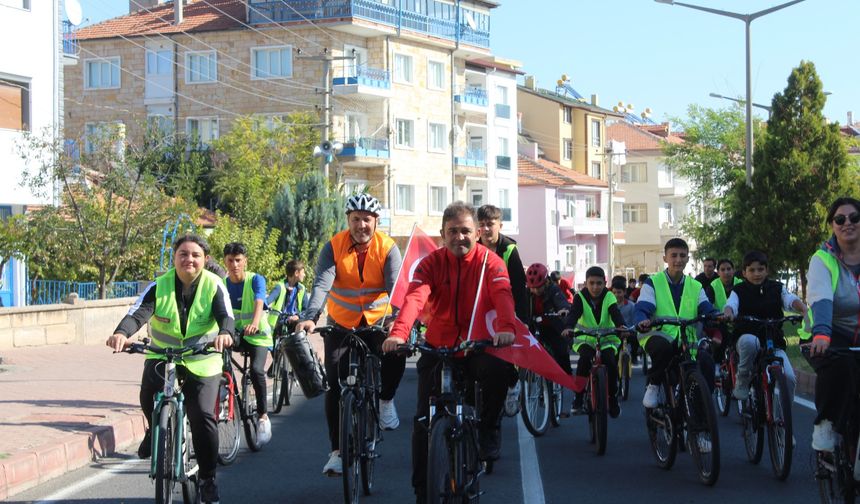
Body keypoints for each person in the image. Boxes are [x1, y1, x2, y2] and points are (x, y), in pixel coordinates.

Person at [380, 201, 515, 504]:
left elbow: (503, 295)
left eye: (466, 231)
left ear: (478, 233)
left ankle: (489, 428)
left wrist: (506, 327)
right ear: (442, 234)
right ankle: (421, 489)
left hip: (476, 344)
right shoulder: (431, 264)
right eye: (452, 231)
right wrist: (399, 333)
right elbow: (414, 298)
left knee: (499, 370)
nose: (460, 237)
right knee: (421, 422)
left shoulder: (490, 263)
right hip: (438, 346)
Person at [106, 234, 234, 504]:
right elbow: (138, 313)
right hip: (163, 354)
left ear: (205, 260)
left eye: (195, 255)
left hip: (202, 357)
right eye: (183, 254)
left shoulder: (214, 285)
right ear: (174, 258)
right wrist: (121, 333)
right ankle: (155, 430)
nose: (189, 259)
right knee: (147, 394)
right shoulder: (160, 285)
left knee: (202, 415)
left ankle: (208, 479)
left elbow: (226, 316)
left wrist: (224, 333)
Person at [295, 193, 405, 476]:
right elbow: (321, 285)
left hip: (376, 323)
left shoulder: (388, 248)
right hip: (341, 324)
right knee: (335, 386)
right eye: (355, 219)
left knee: (397, 350)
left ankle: (385, 400)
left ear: (376, 221)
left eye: (366, 220)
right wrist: (310, 317)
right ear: (348, 221)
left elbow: (395, 287)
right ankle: (337, 451)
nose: (361, 225)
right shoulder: (333, 247)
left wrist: (396, 320)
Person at [635, 238, 721, 413]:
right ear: (665, 258)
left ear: (688, 259)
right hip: (657, 334)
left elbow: (706, 308)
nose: (678, 259)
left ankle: (703, 409)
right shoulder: (653, 282)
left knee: (706, 361)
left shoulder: (695, 286)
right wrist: (642, 320)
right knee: (663, 349)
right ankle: (654, 384)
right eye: (673, 255)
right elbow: (642, 308)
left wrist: (718, 316)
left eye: (682, 255)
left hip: (686, 338)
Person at [804, 197, 860, 452]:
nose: (847, 223)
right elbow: (822, 299)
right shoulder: (822, 259)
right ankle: (825, 423)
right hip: (830, 331)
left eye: (854, 218)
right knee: (839, 364)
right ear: (832, 225)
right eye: (840, 219)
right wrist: (822, 335)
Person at [723, 251, 808, 405]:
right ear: (744, 272)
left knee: (788, 378)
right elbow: (731, 305)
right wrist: (728, 312)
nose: (757, 274)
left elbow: (789, 299)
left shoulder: (777, 287)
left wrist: (802, 308)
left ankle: (783, 417)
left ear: (767, 270)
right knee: (750, 341)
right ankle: (742, 379)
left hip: (773, 340)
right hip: (747, 337)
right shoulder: (738, 290)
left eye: (760, 269)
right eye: (752, 270)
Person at [477, 204, 528, 414]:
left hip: (507, 307)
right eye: (482, 225)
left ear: (500, 225)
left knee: (505, 353)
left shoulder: (509, 250)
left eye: (490, 224)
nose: (486, 229)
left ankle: (512, 383)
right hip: (482, 309)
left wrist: (522, 320)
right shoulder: (474, 247)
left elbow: (519, 287)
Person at [223, 242, 273, 445]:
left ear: (245, 261)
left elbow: (259, 301)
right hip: (236, 334)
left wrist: (253, 323)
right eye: (230, 261)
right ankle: (224, 388)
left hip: (257, 335)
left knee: (256, 370)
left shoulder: (255, 280)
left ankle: (263, 417)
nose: (234, 265)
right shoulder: (223, 283)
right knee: (217, 357)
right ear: (224, 262)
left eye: (238, 260)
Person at [563, 266, 626, 418]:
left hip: (607, 338)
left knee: (610, 362)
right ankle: (578, 397)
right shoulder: (580, 297)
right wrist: (569, 327)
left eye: (599, 283)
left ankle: (612, 399)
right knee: (584, 360)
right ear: (586, 283)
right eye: (591, 283)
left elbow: (615, 313)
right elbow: (573, 314)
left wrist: (621, 326)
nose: (595, 287)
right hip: (586, 339)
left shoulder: (610, 296)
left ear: (605, 283)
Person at [525, 263, 573, 377]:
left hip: (553, 326)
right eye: (533, 288)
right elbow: (521, 306)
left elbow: (561, 301)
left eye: (538, 287)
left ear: (546, 282)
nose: (535, 291)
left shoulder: (553, 289)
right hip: (534, 325)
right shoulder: (527, 292)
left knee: (561, 352)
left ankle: (568, 379)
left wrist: (563, 310)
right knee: (525, 350)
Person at [705, 258, 742, 365]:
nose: (726, 272)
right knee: (720, 339)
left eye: (729, 269)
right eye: (722, 269)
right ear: (718, 272)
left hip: (738, 321)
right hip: (719, 322)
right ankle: (716, 364)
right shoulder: (712, 286)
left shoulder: (741, 284)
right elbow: (708, 305)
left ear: (733, 270)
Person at [266, 259, 308, 333]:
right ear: (296, 273)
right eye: (303, 272)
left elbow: (306, 309)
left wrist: (298, 316)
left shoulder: (302, 288)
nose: (304, 275)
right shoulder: (280, 287)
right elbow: (267, 301)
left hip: (295, 323)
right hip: (278, 324)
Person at [611, 275, 638, 363]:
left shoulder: (631, 305)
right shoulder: (610, 305)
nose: (616, 295)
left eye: (619, 292)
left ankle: (634, 356)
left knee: (636, 339)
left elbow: (635, 320)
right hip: (614, 332)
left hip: (629, 331)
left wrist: (632, 329)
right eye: (614, 292)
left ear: (624, 292)